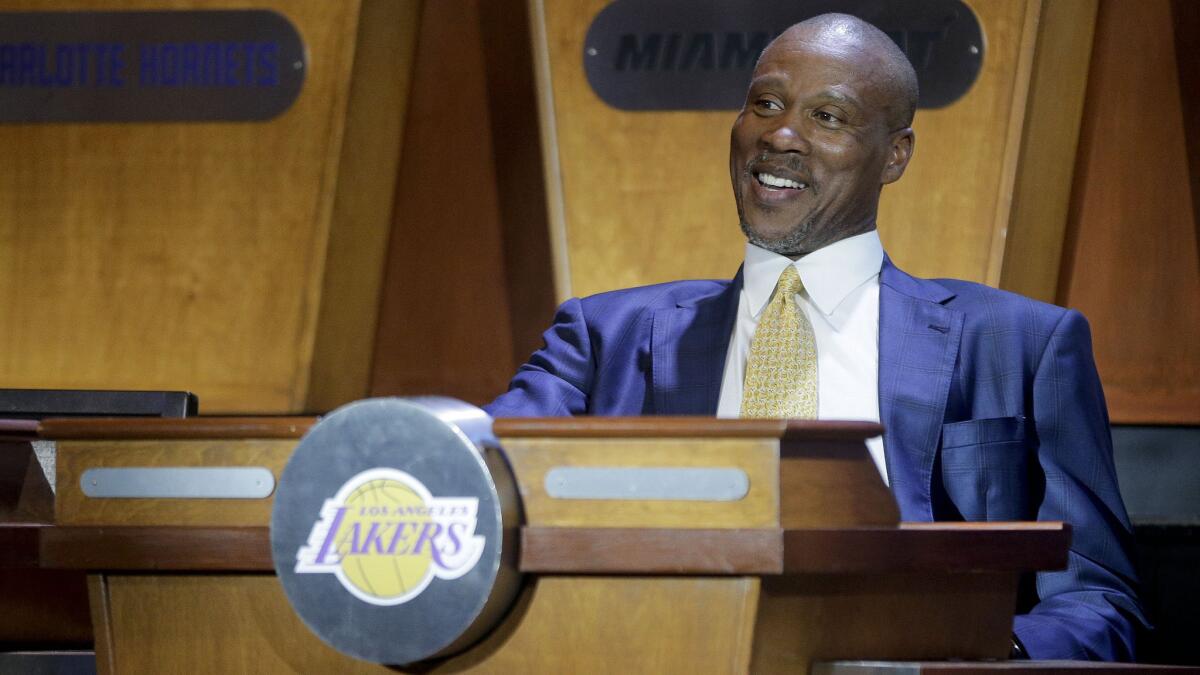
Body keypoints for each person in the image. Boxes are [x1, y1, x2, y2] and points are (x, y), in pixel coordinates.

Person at [485, 13, 1146, 661]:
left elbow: (1098, 600)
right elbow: (476, 482)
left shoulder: (1022, 344)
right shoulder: (603, 337)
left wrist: (964, 655)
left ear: (896, 154)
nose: (780, 135)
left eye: (828, 117)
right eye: (765, 104)